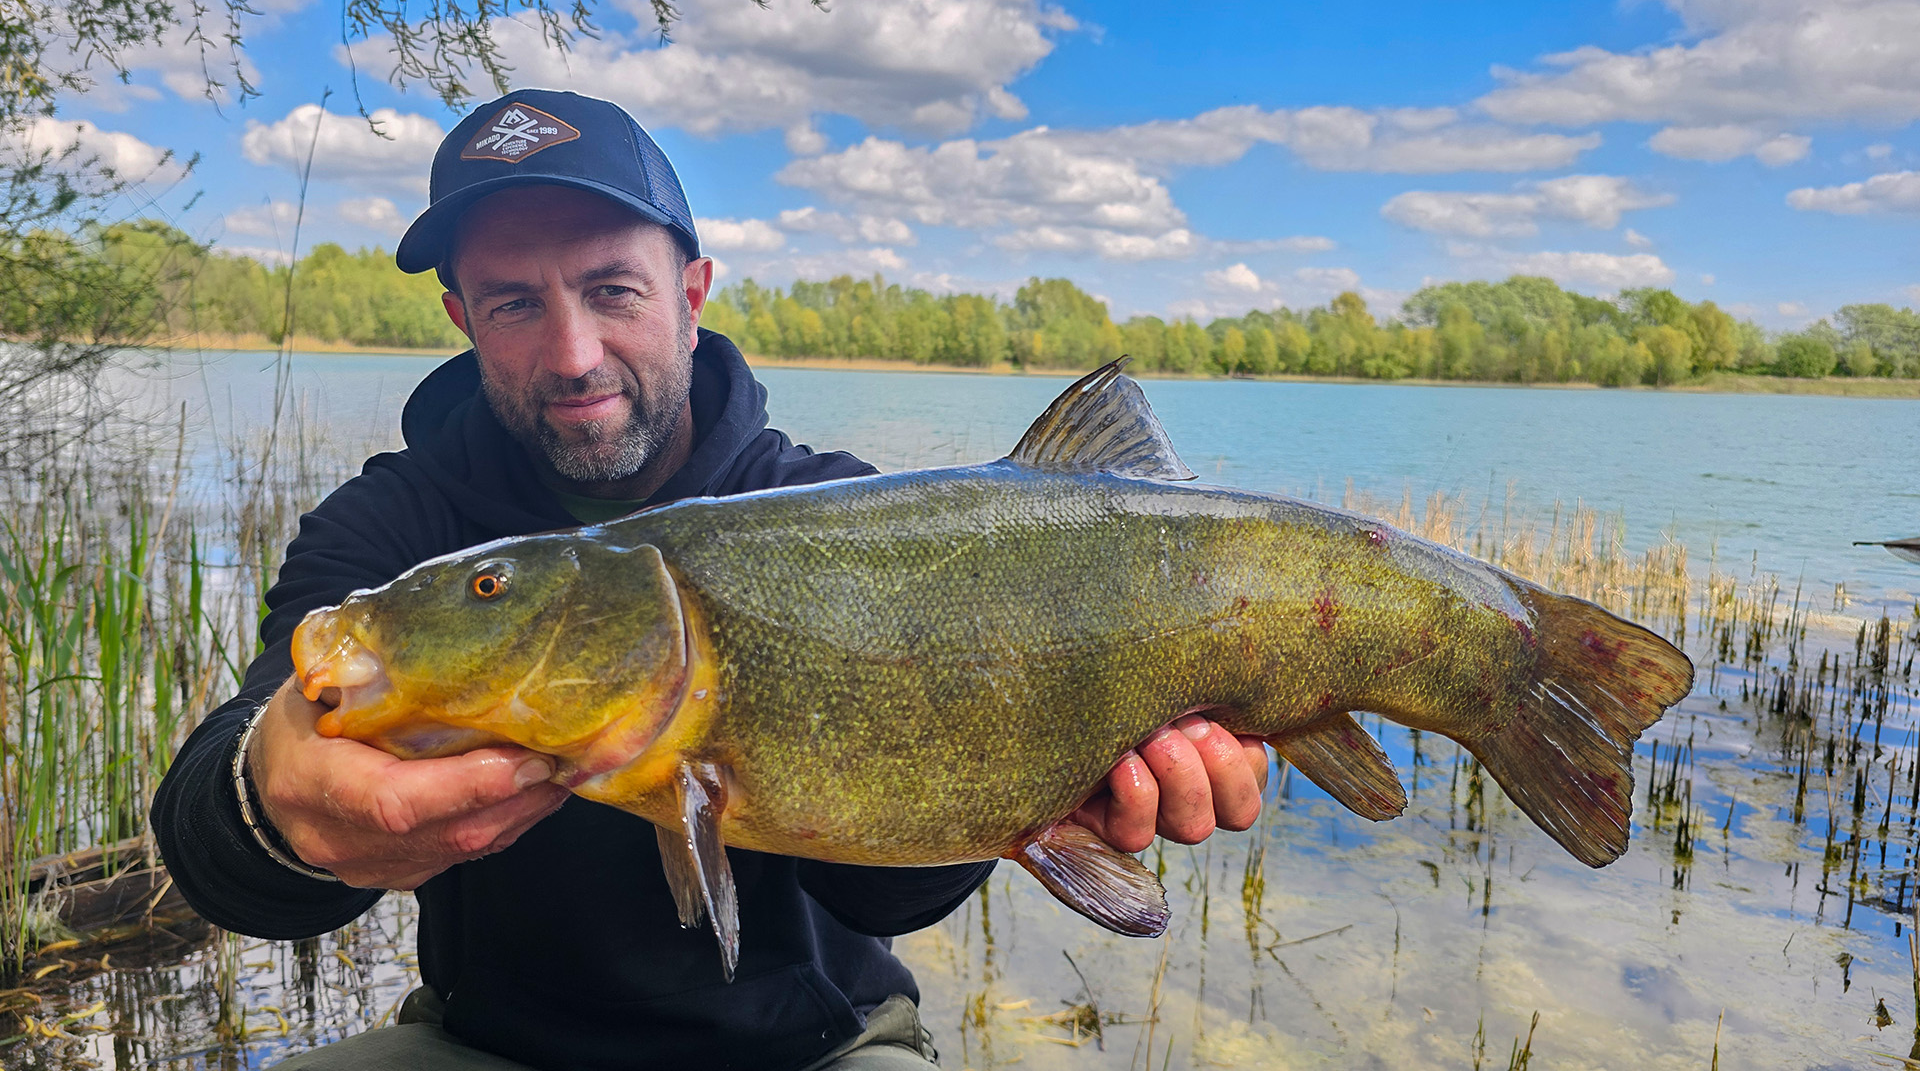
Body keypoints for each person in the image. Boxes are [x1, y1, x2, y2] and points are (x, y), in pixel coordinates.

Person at [151, 89, 1272, 1071]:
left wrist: (1043, 781)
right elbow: (226, 850)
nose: (575, 352)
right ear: (461, 319)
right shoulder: (398, 537)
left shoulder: (843, 513)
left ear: (692, 292)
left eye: (613, 290)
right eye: (513, 303)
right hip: (485, 1044)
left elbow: (883, 897)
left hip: (818, 1047)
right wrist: (271, 792)